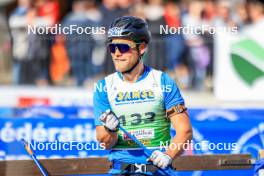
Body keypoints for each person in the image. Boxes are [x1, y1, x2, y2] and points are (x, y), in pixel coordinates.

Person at [93, 16, 193, 175]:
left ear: (142, 48)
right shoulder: (103, 87)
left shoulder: (162, 81)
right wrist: (109, 130)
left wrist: (168, 155)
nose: (116, 54)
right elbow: (105, 143)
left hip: (157, 169)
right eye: (112, 48)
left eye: (123, 48)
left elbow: (185, 131)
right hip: (122, 170)